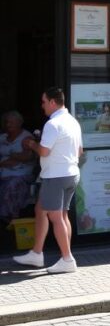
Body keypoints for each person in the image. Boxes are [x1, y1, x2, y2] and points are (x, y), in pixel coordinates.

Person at [13, 87, 83, 274]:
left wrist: (31, 144)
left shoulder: (53, 124)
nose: (42, 105)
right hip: (70, 173)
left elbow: (44, 151)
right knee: (46, 211)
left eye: (43, 101)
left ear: (53, 102)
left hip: (56, 176)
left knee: (55, 216)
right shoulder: (73, 122)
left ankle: (67, 259)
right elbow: (80, 151)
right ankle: (37, 253)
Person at [0, 111, 36, 226]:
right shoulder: (2, 137)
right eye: (7, 122)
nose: (8, 124)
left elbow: (28, 157)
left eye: (11, 122)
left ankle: (11, 217)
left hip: (20, 174)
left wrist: (11, 157)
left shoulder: (26, 138)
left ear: (19, 123)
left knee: (13, 184)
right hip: (4, 172)